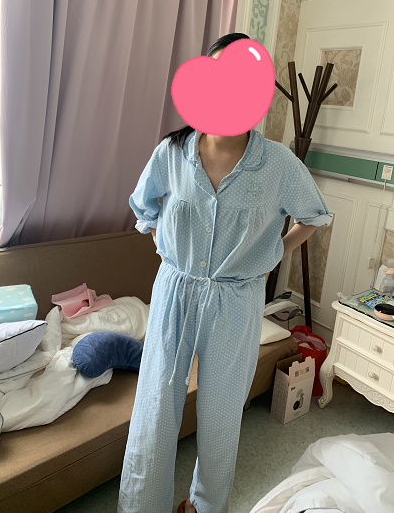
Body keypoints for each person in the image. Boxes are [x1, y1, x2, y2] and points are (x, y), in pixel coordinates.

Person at [117, 32, 333, 513]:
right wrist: (169, 252)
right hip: (175, 291)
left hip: (237, 298)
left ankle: (204, 506)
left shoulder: (277, 164)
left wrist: (273, 253)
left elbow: (314, 217)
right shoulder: (172, 153)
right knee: (155, 409)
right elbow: (144, 209)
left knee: (220, 415)